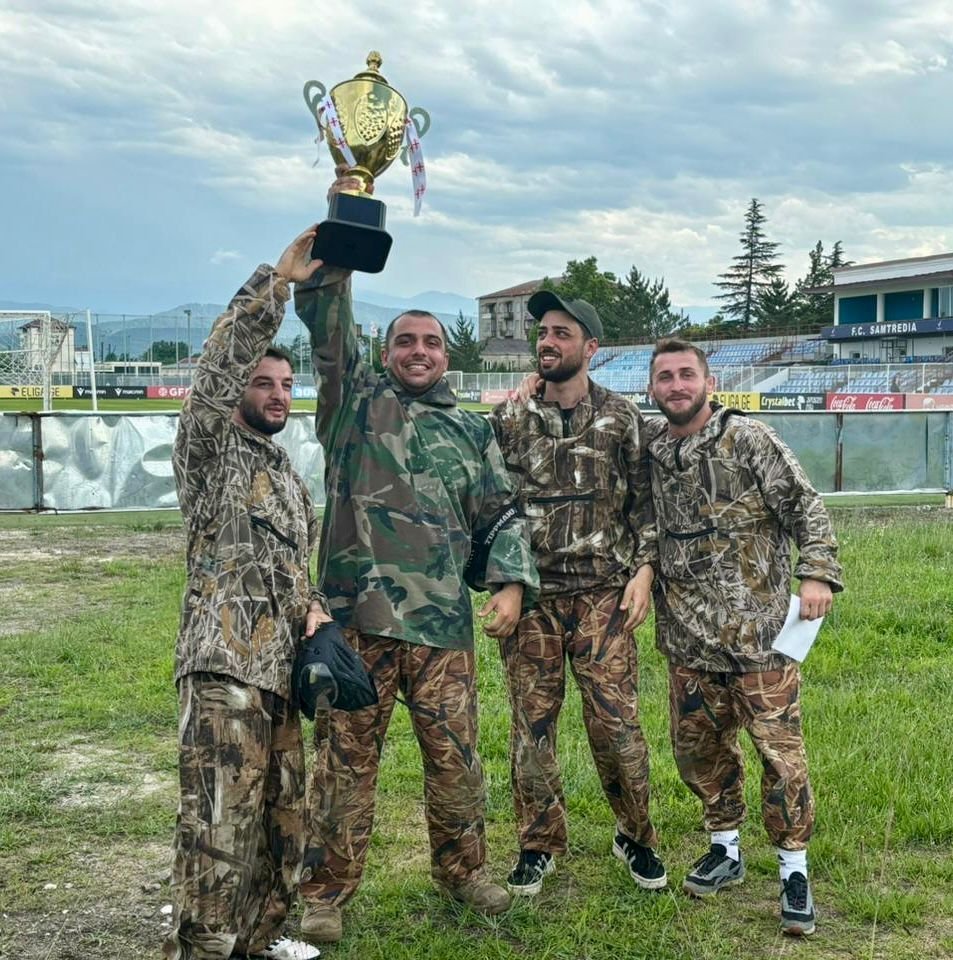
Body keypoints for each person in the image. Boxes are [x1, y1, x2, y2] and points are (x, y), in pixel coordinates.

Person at [293, 177, 539, 943]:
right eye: (405, 341)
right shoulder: (352, 404)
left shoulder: (470, 433)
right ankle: (325, 894)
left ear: (445, 355)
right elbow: (329, 329)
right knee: (344, 766)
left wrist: (509, 583)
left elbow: (501, 513)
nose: (419, 352)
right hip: (355, 625)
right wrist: (342, 234)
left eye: (431, 343)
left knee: (455, 761)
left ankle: (463, 872)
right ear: (387, 351)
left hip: (441, 631)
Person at [164, 228, 332, 960]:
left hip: (280, 676)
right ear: (239, 388)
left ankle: (257, 941)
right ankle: (201, 949)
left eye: (286, 385)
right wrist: (277, 286)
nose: (276, 395)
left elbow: (293, 569)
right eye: (263, 383)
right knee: (216, 831)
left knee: (281, 823)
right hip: (224, 671)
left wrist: (315, 607)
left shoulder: (287, 474)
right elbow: (214, 370)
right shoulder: (210, 453)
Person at [643, 337, 843, 937]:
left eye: (686, 374)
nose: (676, 386)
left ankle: (793, 871)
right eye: (665, 377)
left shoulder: (749, 439)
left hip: (761, 639)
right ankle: (725, 848)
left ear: (708, 382)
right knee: (699, 753)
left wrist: (817, 572)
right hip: (689, 641)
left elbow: (805, 506)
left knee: (781, 759)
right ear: (652, 388)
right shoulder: (653, 449)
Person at [487, 291, 666, 897]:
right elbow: (492, 507)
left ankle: (635, 834)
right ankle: (538, 844)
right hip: (533, 600)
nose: (548, 342)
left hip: (603, 598)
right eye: (543, 332)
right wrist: (506, 582)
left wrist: (644, 571)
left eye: (562, 333)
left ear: (591, 347)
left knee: (617, 727)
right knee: (531, 731)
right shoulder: (510, 419)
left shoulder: (621, 417)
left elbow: (645, 504)